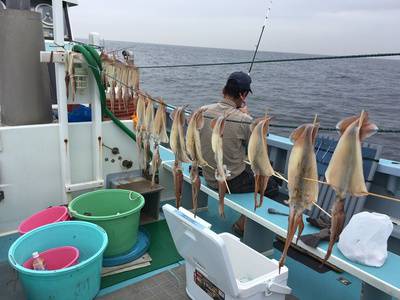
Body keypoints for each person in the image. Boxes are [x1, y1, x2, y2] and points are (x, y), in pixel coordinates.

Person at [200, 71, 279, 235]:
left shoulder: (202, 110)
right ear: (243, 95)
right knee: (272, 186)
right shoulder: (244, 120)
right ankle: (242, 225)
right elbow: (257, 148)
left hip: (207, 173)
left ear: (224, 90)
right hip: (229, 182)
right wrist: (247, 116)